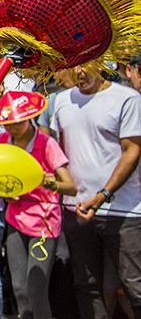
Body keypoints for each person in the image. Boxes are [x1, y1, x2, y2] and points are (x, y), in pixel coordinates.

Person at [51, 65, 141, 319]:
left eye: (87, 64)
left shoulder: (127, 99)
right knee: (86, 285)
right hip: (76, 209)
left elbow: (132, 152)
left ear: (104, 65)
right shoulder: (60, 100)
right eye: (75, 65)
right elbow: (58, 151)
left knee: (134, 286)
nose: (80, 71)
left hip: (124, 210)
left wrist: (103, 195)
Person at [0, 90, 77, 319]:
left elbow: (70, 187)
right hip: (15, 219)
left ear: (28, 119)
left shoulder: (46, 144)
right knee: (20, 290)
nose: (11, 128)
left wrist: (49, 183)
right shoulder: (2, 141)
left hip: (43, 223)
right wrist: (5, 193)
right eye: (7, 124)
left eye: (16, 123)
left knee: (36, 289)